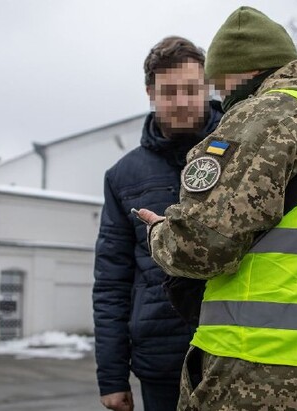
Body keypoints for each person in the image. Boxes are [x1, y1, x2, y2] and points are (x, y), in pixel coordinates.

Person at [139, 7, 297, 410]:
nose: (221, 99)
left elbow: (200, 244)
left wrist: (159, 233)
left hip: (263, 373)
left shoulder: (273, 114)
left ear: (237, 74)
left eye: (219, 86)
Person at [92, 36, 223, 411]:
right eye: (169, 91)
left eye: (190, 89)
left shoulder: (242, 151)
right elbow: (111, 281)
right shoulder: (123, 176)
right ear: (151, 92)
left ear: (207, 86)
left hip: (235, 351)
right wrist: (112, 377)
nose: (181, 101)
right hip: (161, 361)